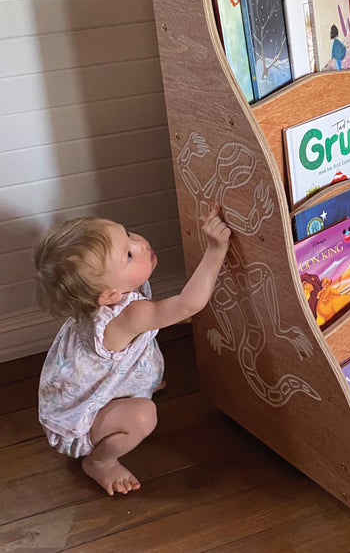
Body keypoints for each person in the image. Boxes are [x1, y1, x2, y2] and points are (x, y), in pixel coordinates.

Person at [34, 204, 230, 496]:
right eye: (128, 255)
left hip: (80, 392)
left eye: (127, 234)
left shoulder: (100, 297)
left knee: (138, 368)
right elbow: (188, 304)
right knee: (143, 416)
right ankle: (100, 461)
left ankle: (136, 385)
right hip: (81, 420)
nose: (140, 244)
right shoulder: (128, 315)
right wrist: (215, 250)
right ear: (110, 296)